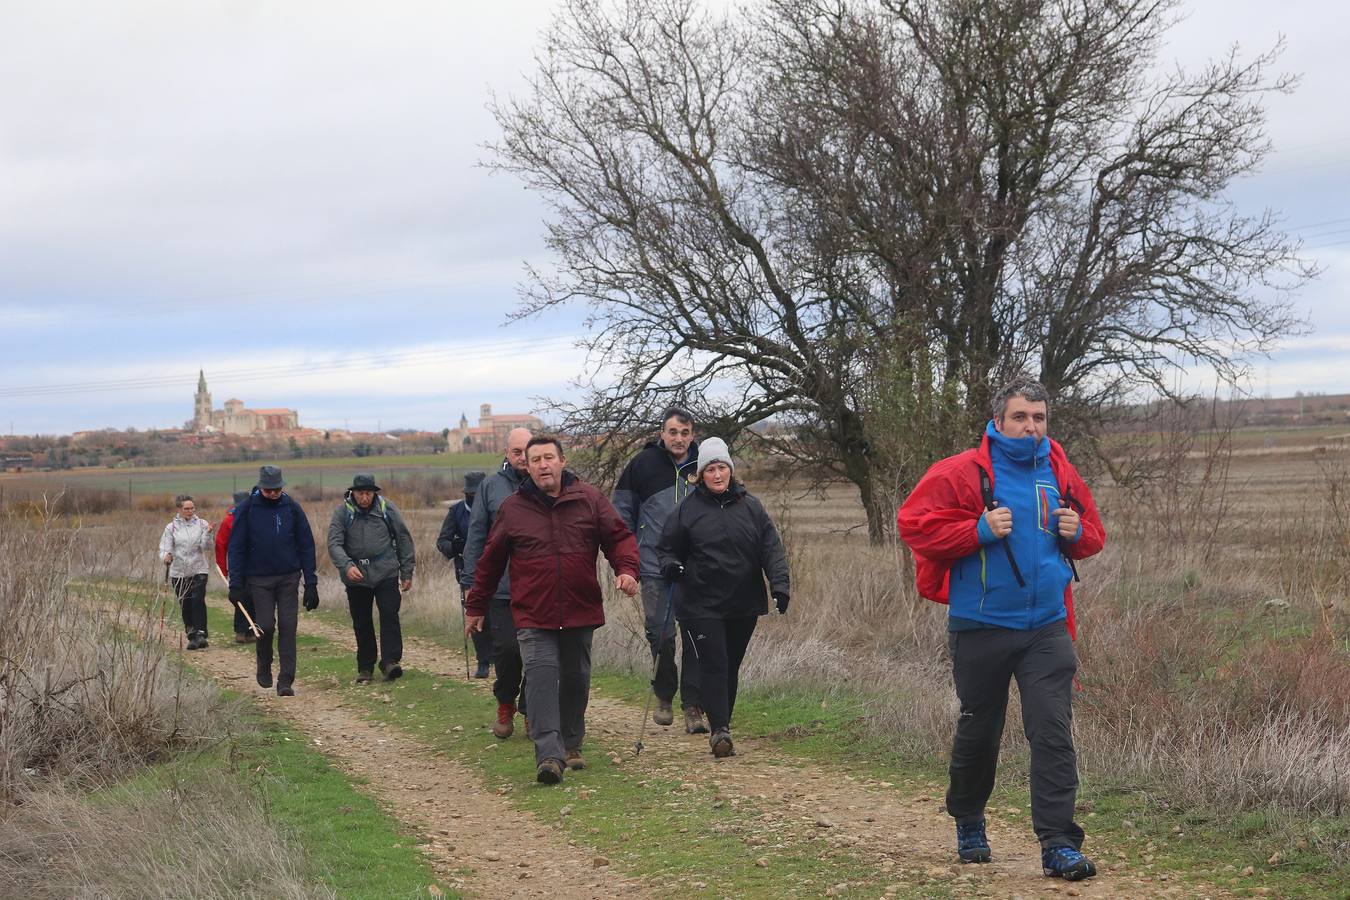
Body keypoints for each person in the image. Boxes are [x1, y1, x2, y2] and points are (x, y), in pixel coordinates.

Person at [897, 377, 1106, 882]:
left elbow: (1093, 535)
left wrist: (1076, 534)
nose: (1031, 427)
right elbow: (912, 523)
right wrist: (976, 531)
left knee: (1052, 731)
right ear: (998, 420)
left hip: (1047, 628)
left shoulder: (1058, 470)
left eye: (1039, 417)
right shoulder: (962, 472)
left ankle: (1059, 844)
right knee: (980, 729)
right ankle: (968, 820)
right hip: (981, 626)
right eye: (1021, 417)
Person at [465, 435, 639, 784]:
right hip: (534, 613)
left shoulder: (589, 499)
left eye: (549, 458)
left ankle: (571, 743)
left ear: (562, 461)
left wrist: (627, 569)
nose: (543, 465)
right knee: (542, 679)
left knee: (575, 680)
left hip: (579, 608)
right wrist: (476, 605)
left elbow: (618, 537)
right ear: (526, 467)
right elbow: (491, 560)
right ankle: (549, 755)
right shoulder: (513, 509)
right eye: (536, 460)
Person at [656, 438, 789, 759]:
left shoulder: (752, 507)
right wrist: (670, 565)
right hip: (699, 602)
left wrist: (780, 584)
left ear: (730, 470)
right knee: (714, 663)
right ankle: (719, 730)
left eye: (722, 468)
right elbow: (666, 549)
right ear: (701, 474)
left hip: (743, 601)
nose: (717, 475)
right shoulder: (686, 510)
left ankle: (722, 722)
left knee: (731, 665)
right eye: (711, 469)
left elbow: (771, 548)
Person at [612, 407, 705, 733]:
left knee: (697, 637)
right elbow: (621, 513)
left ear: (692, 435)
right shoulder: (642, 465)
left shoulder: (703, 465)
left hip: (697, 569)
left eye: (685, 432)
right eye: (672, 432)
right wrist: (626, 558)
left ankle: (693, 707)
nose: (678, 439)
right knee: (662, 635)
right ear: (662, 434)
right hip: (653, 567)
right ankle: (665, 693)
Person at [462, 427, 533, 738]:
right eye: (516, 452)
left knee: (538, 653)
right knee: (506, 650)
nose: (522, 457)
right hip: (501, 587)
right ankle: (506, 703)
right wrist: (471, 583)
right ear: (507, 453)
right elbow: (476, 536)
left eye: (526, 451)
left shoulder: (547, 484)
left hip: (538, 587)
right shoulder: (491, 487)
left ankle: (533, 709)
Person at [227, 465, 320, 697]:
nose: (273, 494)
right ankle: (264, 662)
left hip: (289, 577)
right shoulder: (246, 509)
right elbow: (236, 548)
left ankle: (286, 680)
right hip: (259, 579)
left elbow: (306, 546)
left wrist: (311, 583)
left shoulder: (292, 508)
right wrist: (235, 585)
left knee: (289, 627)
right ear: (260, 487)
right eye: (268, 490)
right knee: (266, 626)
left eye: (277, 490)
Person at [328, 474, 415, 684]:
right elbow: (334, 544)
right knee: (362, 621)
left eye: (368, 493)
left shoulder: (387, 509)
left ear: (374, 493)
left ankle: (390, 662)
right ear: (353, 493)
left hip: (386, 571)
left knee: (389, 614)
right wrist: (347, 566)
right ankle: (365, 667)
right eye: (360, 493)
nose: (365, 497)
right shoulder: (342, 513)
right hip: (356, 576)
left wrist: (406, 572)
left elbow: (403, 538)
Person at [437, 471, 492, 678]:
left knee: (497, 614)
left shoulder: (495, 509)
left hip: (497, 571)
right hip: (467, 572)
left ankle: (498, 656)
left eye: (478, 493)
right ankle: (483, 662)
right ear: (466, 494)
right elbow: (442, 542)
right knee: (474, 614)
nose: (475, 497)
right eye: (471, 494)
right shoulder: (456, 512)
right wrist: (456, 546)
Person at [158, 494, 214, 650]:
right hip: (179, 572)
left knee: (198, 600)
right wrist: (166, 556)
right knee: (186, 604)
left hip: (199, 569)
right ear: (179, 509)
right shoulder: (171, 527)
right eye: (186, 509)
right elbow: (164, 548)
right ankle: (192, 635)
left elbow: (207, 547)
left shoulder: (202, 524)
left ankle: (201, 633)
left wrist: (208, 533)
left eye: (192, 508)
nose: (190, 511)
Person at [215, 489, 258, 643]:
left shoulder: (256, 517)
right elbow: (221, 545)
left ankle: (252, 629)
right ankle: (241, 631)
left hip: (256, 566)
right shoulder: (229, 521)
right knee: (240, 597)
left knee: (254, 597)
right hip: (238, 566)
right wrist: (222, 568)